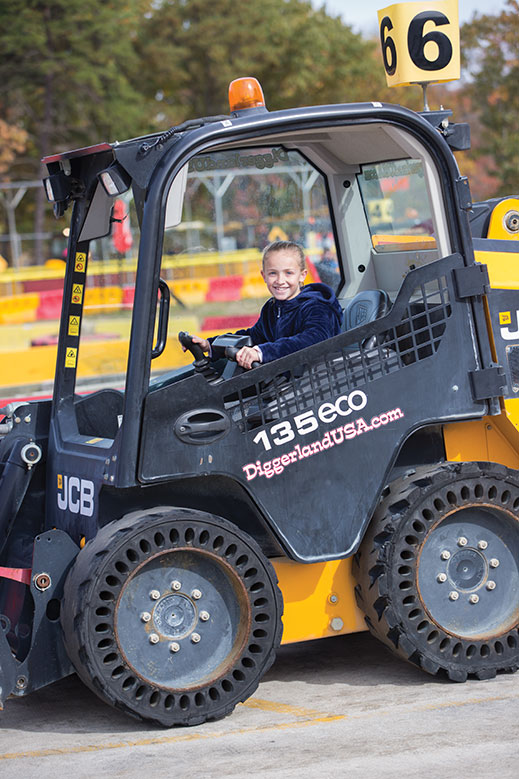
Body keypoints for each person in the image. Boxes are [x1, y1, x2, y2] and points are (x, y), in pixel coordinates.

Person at [181, 240, 343, 369]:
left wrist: (262, 353)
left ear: (302, 275)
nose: (280, 281)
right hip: (285, 381)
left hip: (314, 381)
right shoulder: (272, 308)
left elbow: (315, 339)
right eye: (273, 273)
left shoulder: (317, 306)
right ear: (263, 276)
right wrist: (210, 345)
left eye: (288, 273)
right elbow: (254, 336)